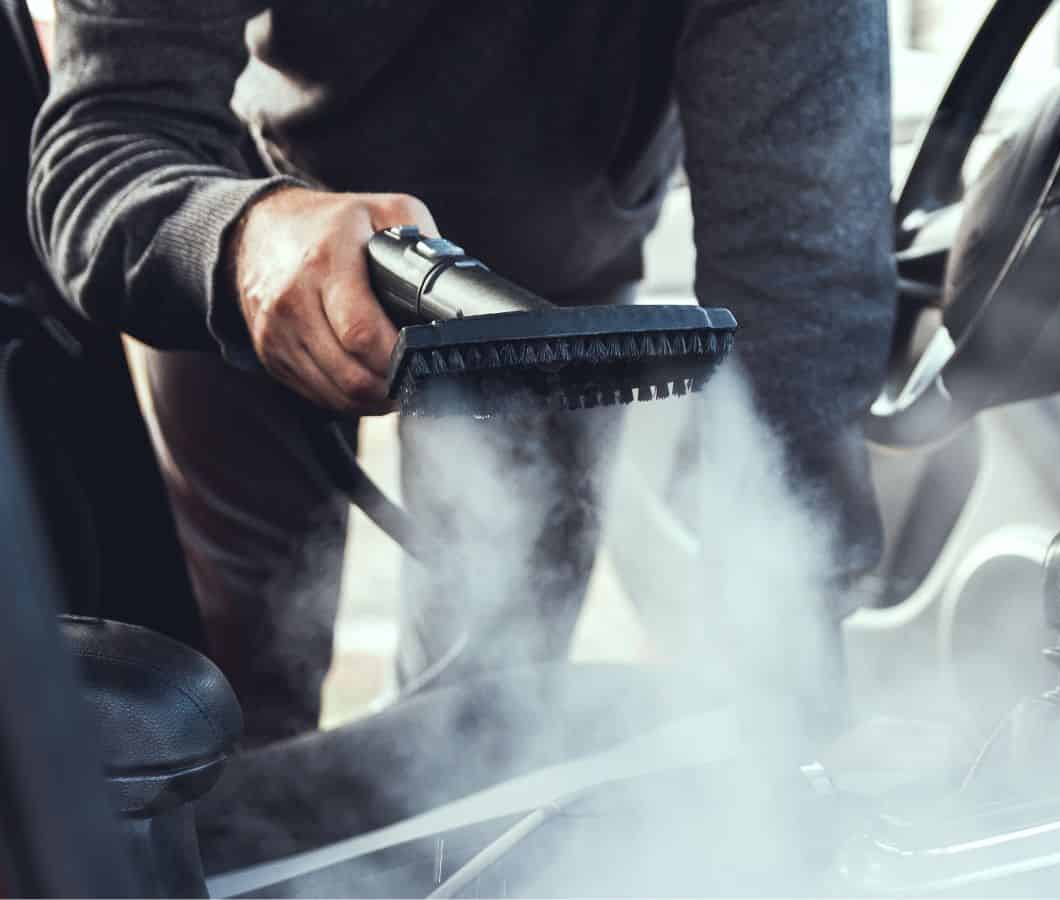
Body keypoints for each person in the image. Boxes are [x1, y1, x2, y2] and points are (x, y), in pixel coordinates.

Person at [29, 0, 895, 745]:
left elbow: (800, 257)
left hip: (555, 304)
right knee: (220, 713)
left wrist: (785, 624)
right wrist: (242, 242)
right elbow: (100, 144)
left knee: (493, 726)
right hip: (255, 253)